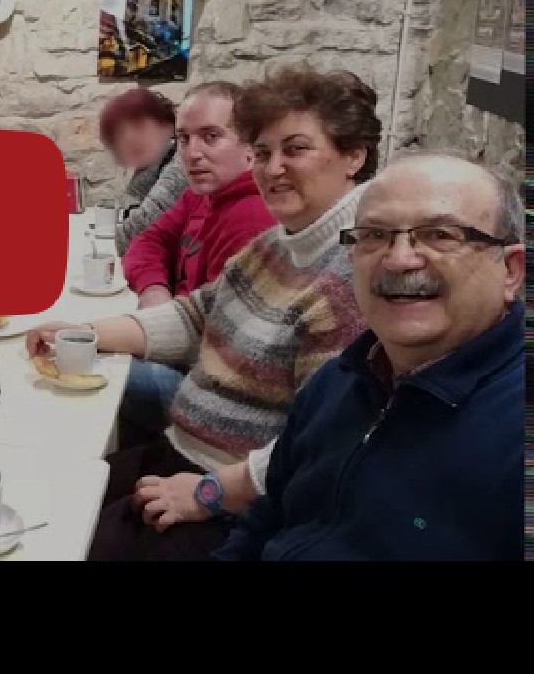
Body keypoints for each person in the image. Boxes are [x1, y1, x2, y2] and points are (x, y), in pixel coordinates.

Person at [26, 64, 382, 561]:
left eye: (296, 149)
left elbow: (320, 444)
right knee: (47, 492)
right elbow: (196, 314)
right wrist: (86, 332)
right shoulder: (279, 243)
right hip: (182, 452)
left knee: (65, 540)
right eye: (264, 152)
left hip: (232, 499)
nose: (272, 167)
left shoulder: (351, 274)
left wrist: (208, 494)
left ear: (354, 156)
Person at [214, 152, 524, 560]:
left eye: (440, 235)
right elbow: (269, 515)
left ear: (511, 270)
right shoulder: (339, 379)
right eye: (375, 235)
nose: (398, 259)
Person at [118, 81, 276, 445]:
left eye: (211, 137)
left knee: (103, 374)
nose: (192, 153)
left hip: (210, 394)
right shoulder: (203, 194)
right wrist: (155, 293)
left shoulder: (252, 217)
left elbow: (217, 346)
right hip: (179, 345)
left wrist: (155, 323)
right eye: (184, 139)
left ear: (250, 146)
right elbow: (146, 241)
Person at [98, 87, 189, 256]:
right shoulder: (154, 163)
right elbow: (130, 209)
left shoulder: (181, 162)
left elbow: (136, 232)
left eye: (139, 126)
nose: (130, 137)